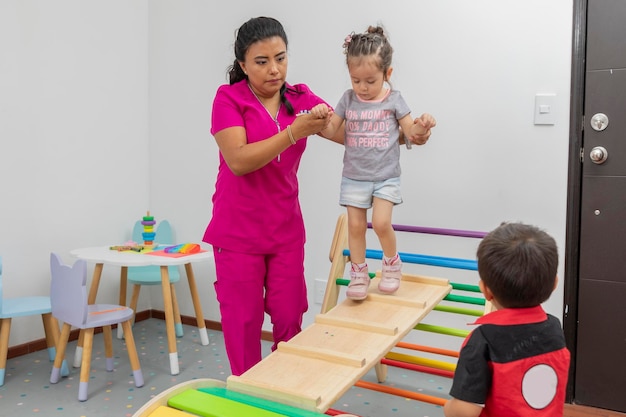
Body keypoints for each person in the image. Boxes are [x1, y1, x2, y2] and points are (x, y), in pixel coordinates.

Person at [312, 25, 437, 300]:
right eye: (356, 80)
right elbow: (332, 129)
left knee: (380, 223)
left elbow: (411, 133)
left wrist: (423, 124)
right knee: (355, 227)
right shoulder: (347, 99)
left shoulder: (394, 99)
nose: (363, 88)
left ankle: (392, 264)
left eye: (370, 80)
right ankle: (359, 274)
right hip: (354, 176)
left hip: (385, 176)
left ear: (387, 74)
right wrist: (319, 116)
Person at [443, 222, 571, 417]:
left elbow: (464, 410)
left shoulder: (483, 339)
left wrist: (449, 408)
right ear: (555, 284)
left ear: (485, 290)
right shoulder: (554, 328)